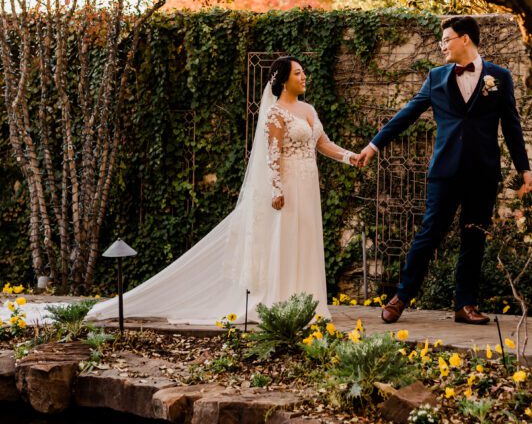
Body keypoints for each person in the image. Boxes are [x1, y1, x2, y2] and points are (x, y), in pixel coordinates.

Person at [88, 57, 357, 325]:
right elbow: (272, 155)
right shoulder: (275, 113)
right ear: (284, 80)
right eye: (298, 73)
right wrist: (276, 189)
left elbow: (322, 142)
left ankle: (309, 302)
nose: (304, 77)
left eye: (303, 72)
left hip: (308, 186)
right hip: (287, 186)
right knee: (286, 240)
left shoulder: (308, 109)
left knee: (307, 239)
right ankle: (284, 302)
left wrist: (349, 157)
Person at [357, 15, 532, 325]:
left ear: (465, 39)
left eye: (446, 40)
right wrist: (374, 145)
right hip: (445, 170)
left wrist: (524, 169)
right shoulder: (436, 77)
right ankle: (402, 296)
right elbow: (408, 113)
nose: (442, 47)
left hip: (482, 171)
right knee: (430, 233)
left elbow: (512, 125)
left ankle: (465, 304)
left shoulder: (499, 77)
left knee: (474, 237)